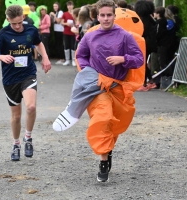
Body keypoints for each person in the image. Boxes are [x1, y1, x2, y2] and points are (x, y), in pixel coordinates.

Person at [53, 0, 144, 182]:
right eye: (102, 15)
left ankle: (107, 150)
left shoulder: (125, 36)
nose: (105, 18)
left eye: (109, 15)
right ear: (97, 16)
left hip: (117, 88)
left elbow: (139, 59)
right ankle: (103, 160)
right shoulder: (90, 35)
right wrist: (90, 74)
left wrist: (122, 59)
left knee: (114, 124)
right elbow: (81, 55)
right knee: (103, 117)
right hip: (98, 88)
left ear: (114, 15)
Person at [0, 5, 51, 161]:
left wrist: (46, 58)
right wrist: (1, 57)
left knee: (31, 106)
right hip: (10, 79)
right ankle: (16, 144)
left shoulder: (30, 30)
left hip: (28, 74)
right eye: (13, 23)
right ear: (8, 20)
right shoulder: (2, 35)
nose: (17, 26)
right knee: (16, 116)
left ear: (23, 17)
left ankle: (28, 138)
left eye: (19, 23)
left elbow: (38, 43)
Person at [134, 0, 157, 91]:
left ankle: (143, 83)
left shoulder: (143, 20)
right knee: (143, 62)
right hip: (148, 43)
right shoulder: (150, 19)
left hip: (144, 44)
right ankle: (150, 81)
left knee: (142, 63)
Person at [61, 1, 76, 66]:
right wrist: (66, 23)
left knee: (73, 46)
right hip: (66, 32)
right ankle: (67, 60)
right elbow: (62, 22)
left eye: (71, 5)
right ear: (67, 6)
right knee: (66, 46)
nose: (70, 6)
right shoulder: (65, 14)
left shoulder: (75, 13)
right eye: (68, 5)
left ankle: (73, 60)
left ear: (73, 6)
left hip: (73, 32)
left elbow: (78, 21)